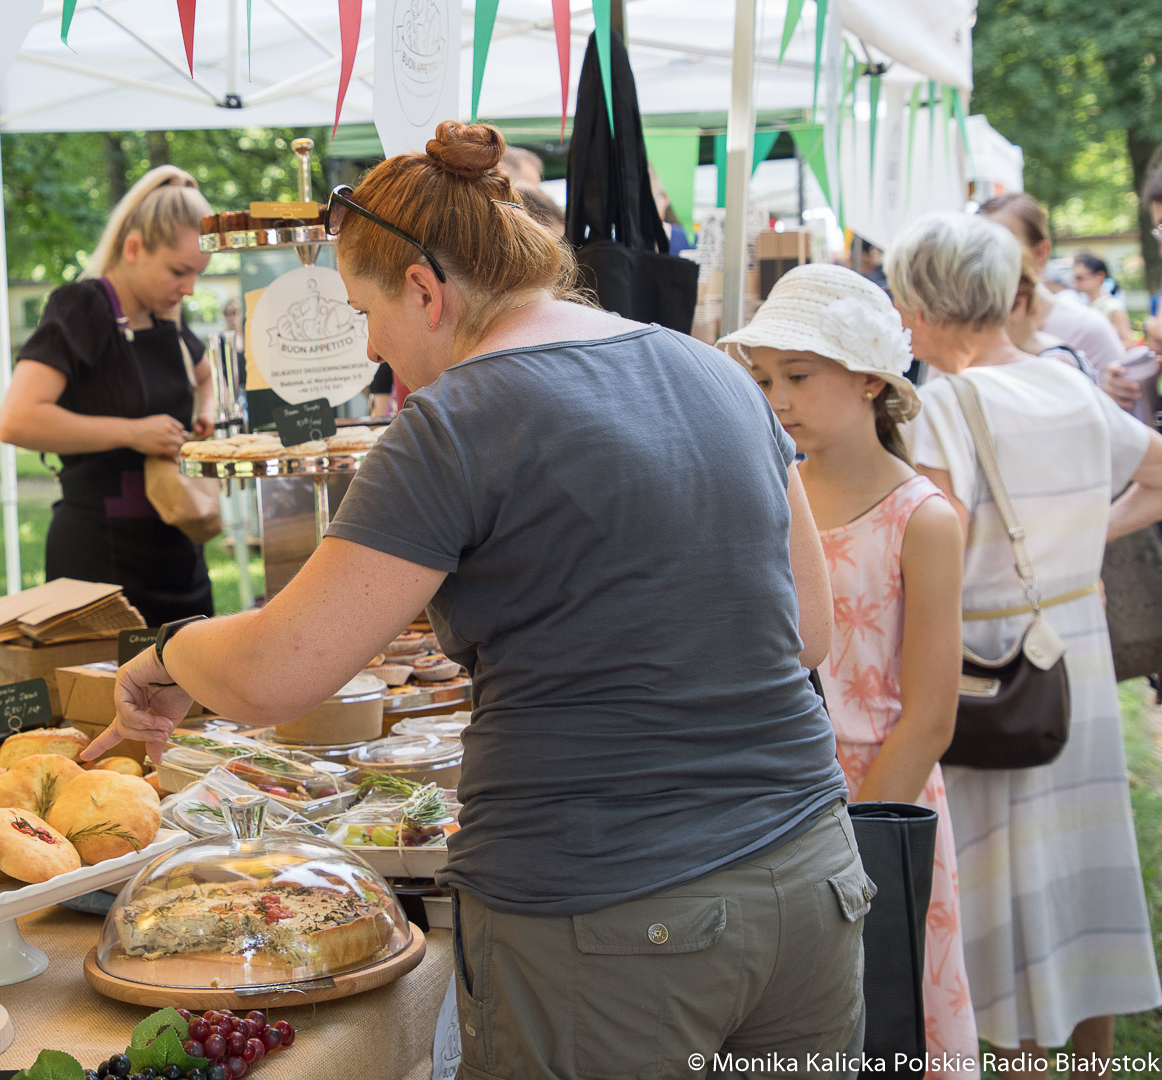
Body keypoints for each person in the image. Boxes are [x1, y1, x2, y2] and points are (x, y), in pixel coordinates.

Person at [84, 122, 869, 1074]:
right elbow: (809, 632)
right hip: (811, 880)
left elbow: (275, 672)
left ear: (424, 289)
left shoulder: (459, 417)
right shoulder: (710, 368)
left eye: (363, 311)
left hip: (610, 908)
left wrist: (169, 652)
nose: (373, 350)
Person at [889, 211, 1162, 1075]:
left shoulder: (943, 406)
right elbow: (1155, 470)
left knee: (1001, 894)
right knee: (1082, 875)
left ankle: (1026, 1063)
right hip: (1070, 652)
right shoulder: (1064, 382)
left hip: (986, 667)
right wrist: (1082, 543)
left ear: (920, 306)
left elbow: (927, 555)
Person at [726, 265, 978, 1078]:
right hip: (770, 800)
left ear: (871, 378)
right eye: (765, 379)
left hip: (879, 800)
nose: (780, 398)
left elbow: (931, 717)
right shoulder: (766, 492)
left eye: (799, 375)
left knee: (891, 1015)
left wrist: (859, 848)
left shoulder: (924, 519)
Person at [0, 166, 216, 625]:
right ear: (133, 248)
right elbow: (18, 420)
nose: (189, 289)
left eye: (198, 274)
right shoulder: (82, 307)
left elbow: (206, 376)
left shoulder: (167, 317)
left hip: (177, 552)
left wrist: (207, 415)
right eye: (178, 271)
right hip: (100, 559)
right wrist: (133, 433)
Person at [977, 193, 1141, 411]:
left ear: (1040, 252)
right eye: (977, 246)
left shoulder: (1088, 329)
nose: (985, 260)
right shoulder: (962, 332)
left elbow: (1127, 426)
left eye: (1002, 245)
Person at [1070, 253, 1138, 347]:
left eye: (1080, 278)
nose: (1076, 283)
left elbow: (1129, 342)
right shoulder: (1081, 305)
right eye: (1075, 278)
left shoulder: (1113, 307)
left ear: (1100, 276)